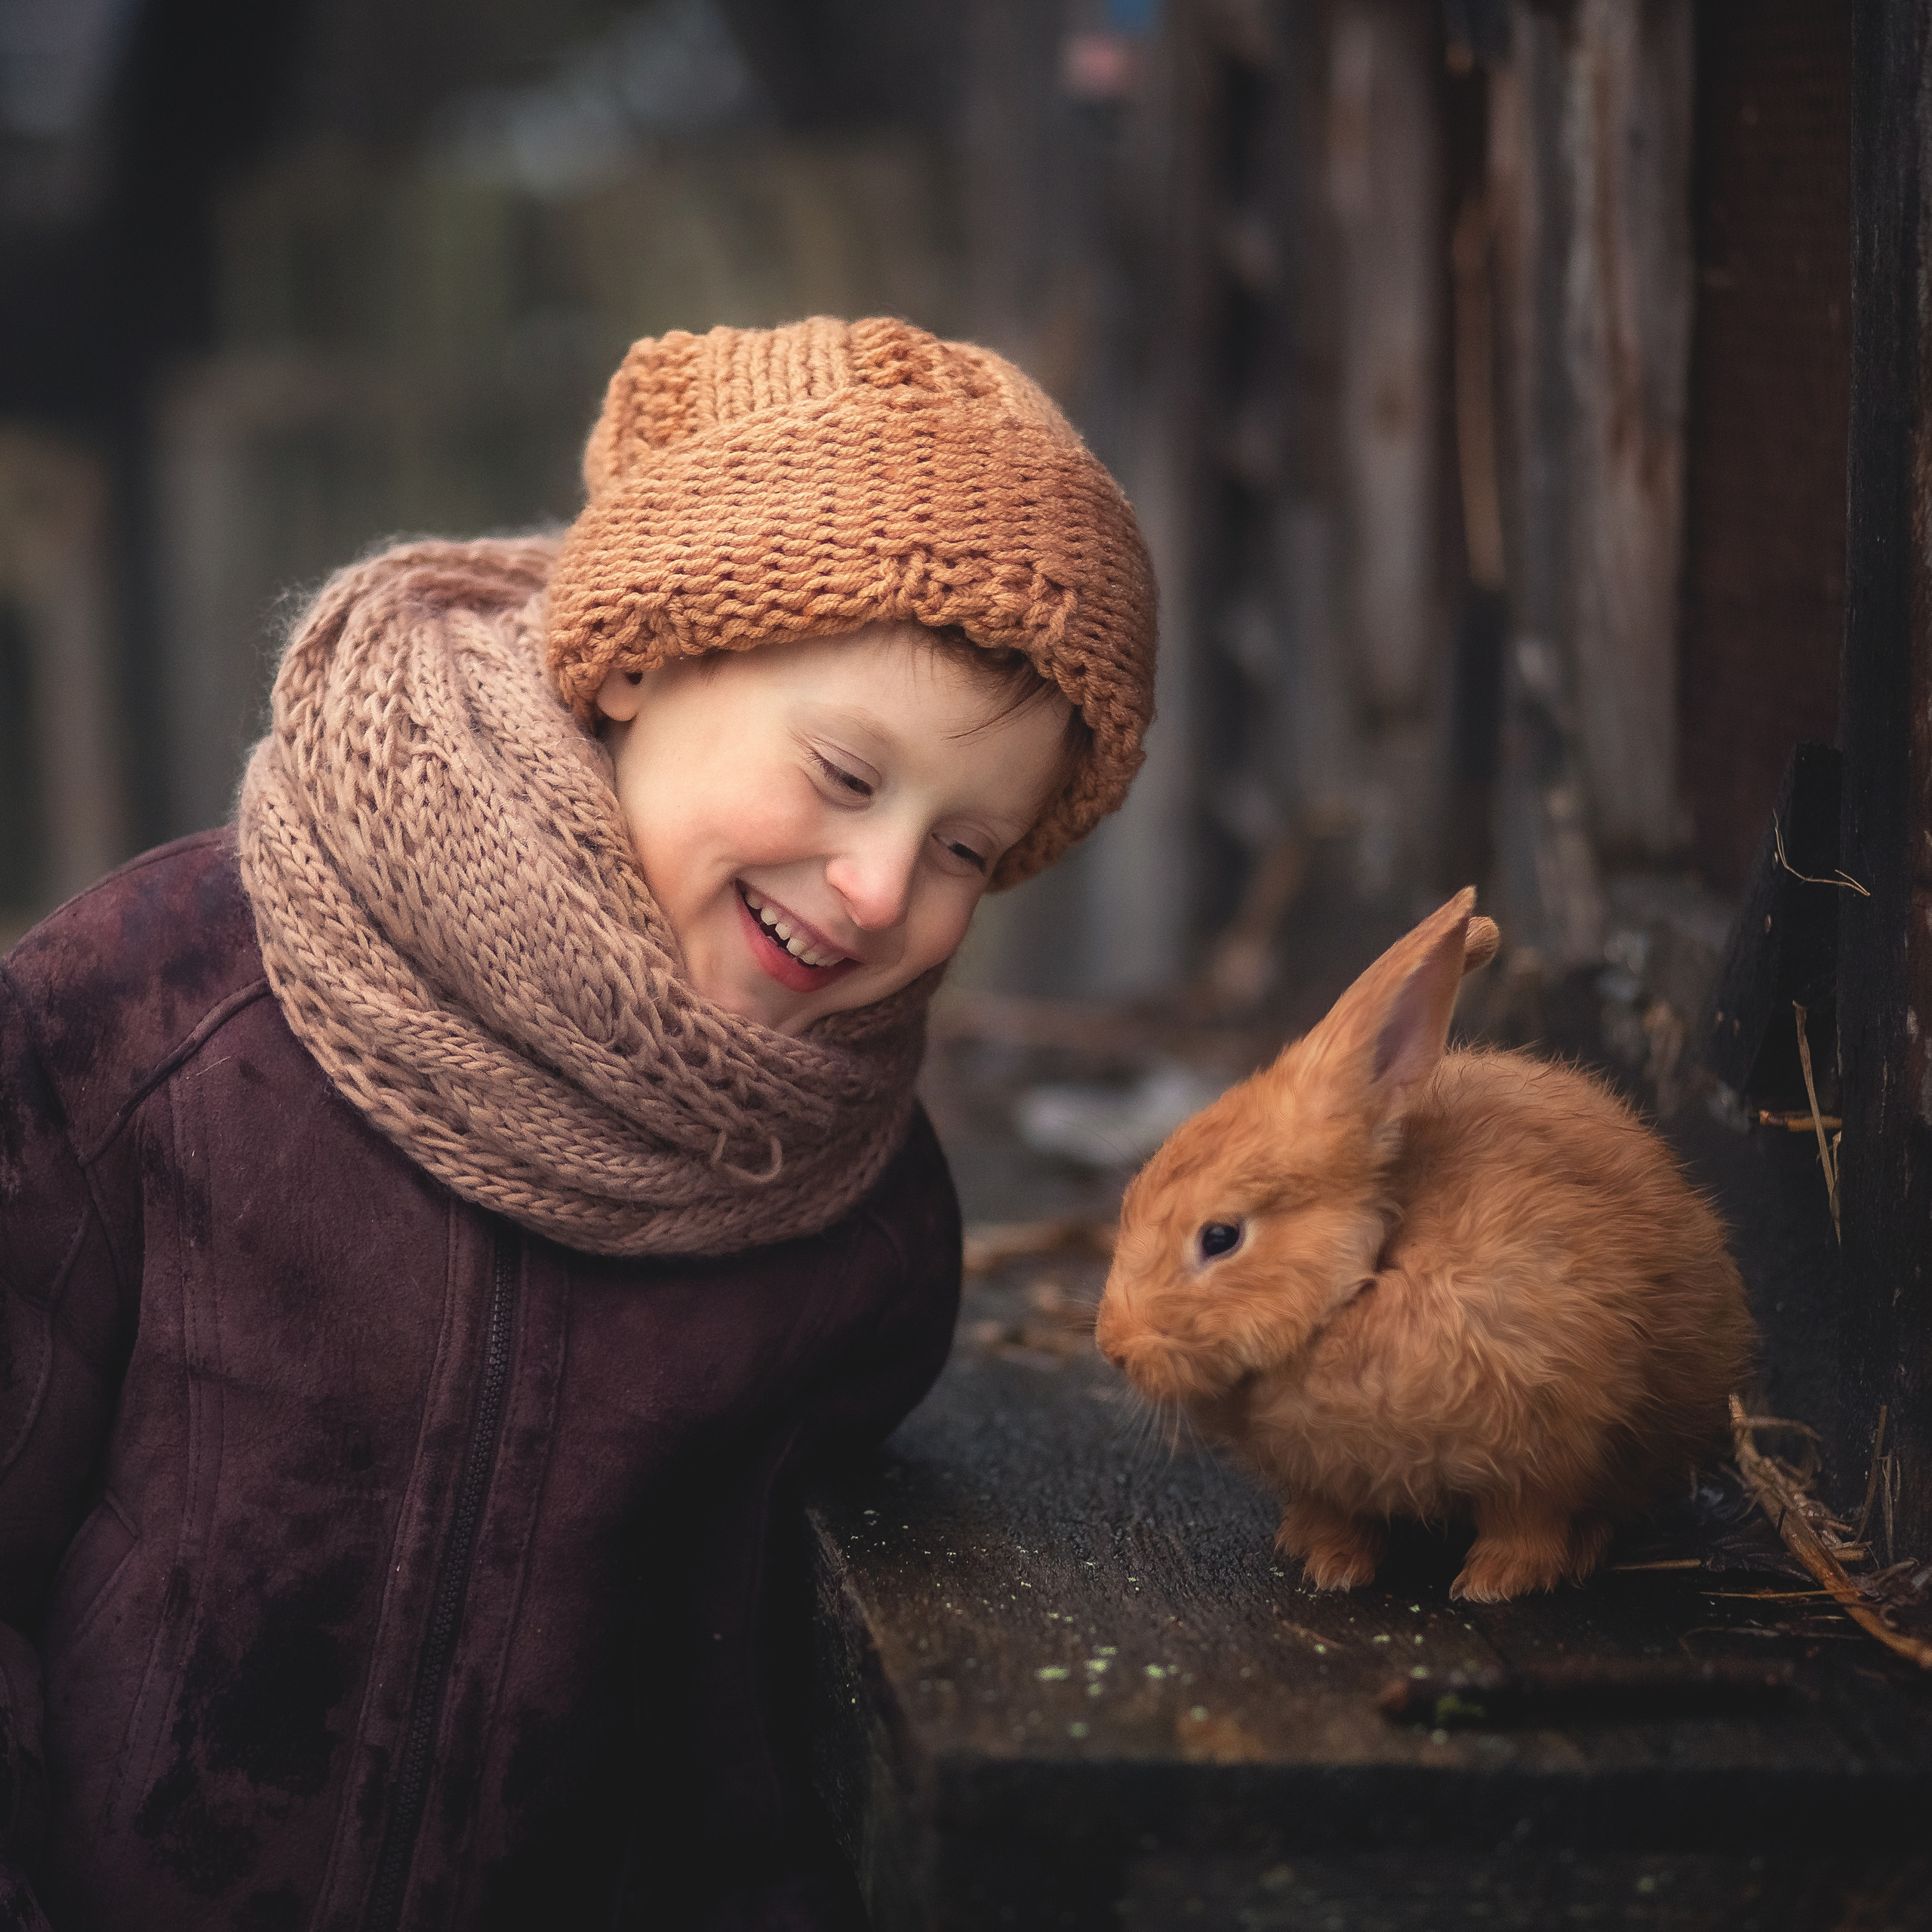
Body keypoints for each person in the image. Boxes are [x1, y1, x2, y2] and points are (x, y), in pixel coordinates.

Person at [0, 315, 1156, 1930]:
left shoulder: (859, 1224)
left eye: (968, 848)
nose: (882, 886)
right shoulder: (154, 1006)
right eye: (844, 772)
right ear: (637, 658)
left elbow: (748, 1777)